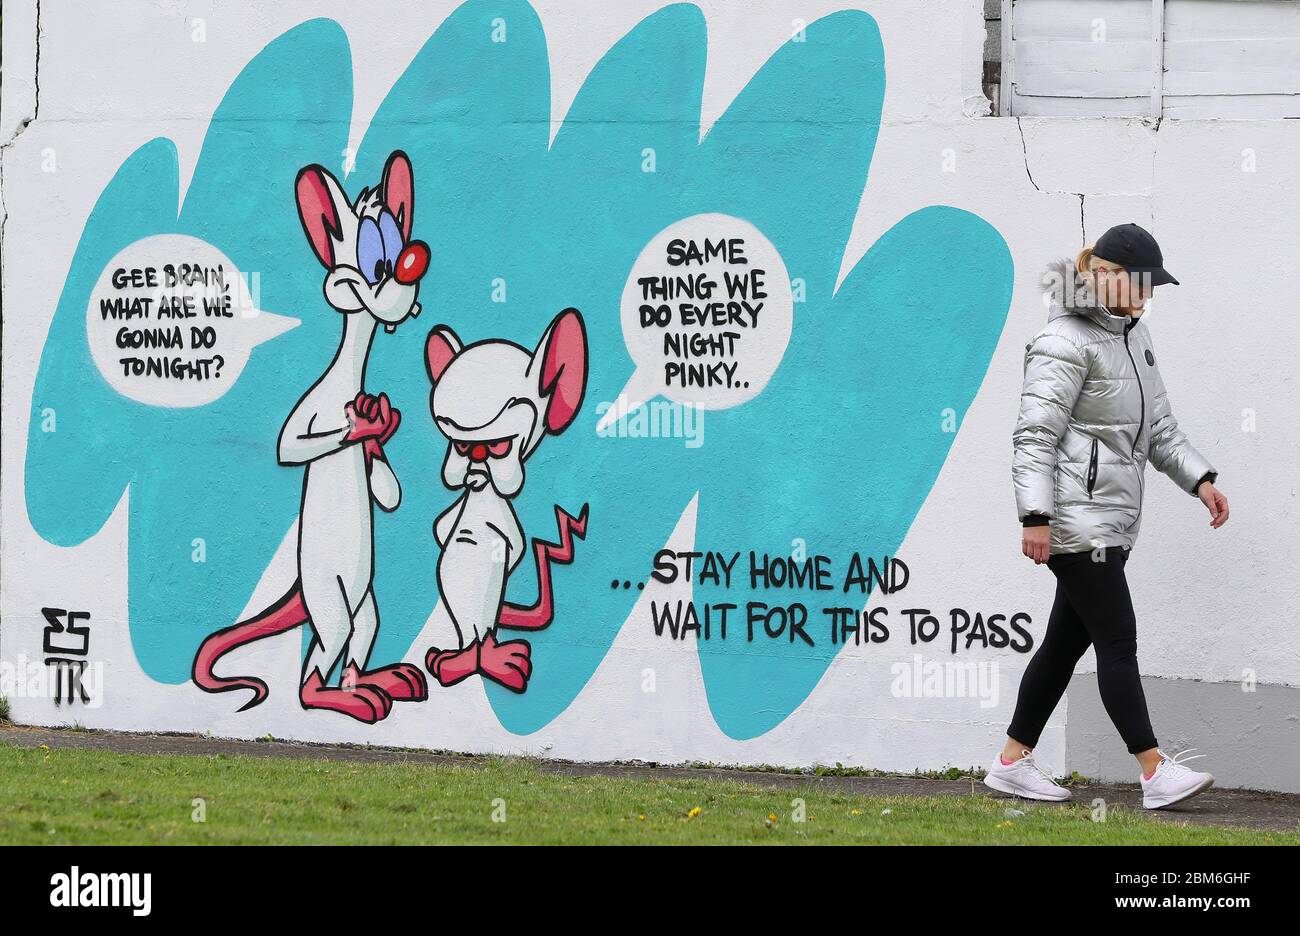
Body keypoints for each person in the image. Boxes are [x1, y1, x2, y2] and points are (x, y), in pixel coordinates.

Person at [986, 223, 1229, 809]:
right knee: (1118, 639)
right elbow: (1034, 435)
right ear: (1108, 276)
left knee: (1064, 645)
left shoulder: (1132, 340)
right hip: (1076, 521)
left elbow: (1160, 431)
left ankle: (1011, 763)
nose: (1149, 298)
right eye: (1142, 286)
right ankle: (1153, 771)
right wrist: (1035, 516)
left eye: (1154, 290)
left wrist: (1201, 479)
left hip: (1110, 521)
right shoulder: (1064, 340)